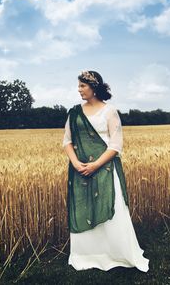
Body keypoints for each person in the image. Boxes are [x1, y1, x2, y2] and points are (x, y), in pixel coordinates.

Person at [62, 70, 149, 272]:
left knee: (113, 207)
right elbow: (67, 141)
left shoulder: (109, 112)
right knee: (84, 207)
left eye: (82, 86)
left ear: (93, 87)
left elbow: (116, 145)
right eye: (79, 86)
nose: (79, 90)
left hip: (106, 169)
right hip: (80, 171)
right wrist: (76, 163)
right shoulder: (74, 113)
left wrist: (95, 165)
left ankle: (116, 253)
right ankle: (86, 255)